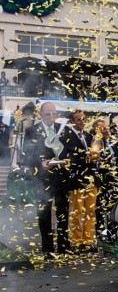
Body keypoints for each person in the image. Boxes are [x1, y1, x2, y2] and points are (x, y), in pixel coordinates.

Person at [22, 101, 70, 257]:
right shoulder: (32, 131)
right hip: (42, 178)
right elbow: (27, 154)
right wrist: (40, 162)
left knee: (63, 211)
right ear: (41, 114)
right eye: (48, 114)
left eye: (54, 113)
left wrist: (67, 160)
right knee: (44, 213)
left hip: (60, 177)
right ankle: (47, 248)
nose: (52, 117)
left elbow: (70, 150)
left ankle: (64, 246)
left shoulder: (63, 130)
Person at [59, 110, 98, 250]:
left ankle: (88, 240)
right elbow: (67, 155)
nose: (82, 122)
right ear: (72, 122)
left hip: (91, 177)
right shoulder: (67, 136)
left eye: (84, 119)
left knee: (90, 211)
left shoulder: (88, 136)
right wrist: (83, 156)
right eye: (79, 120)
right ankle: (76, 240)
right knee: (77, 211)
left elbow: (94, 152)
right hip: (77, 178)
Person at [92, 118, 118, 233]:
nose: (105, 131)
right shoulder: (95, 143)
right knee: (101, 208)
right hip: (102, 181)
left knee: (114, 207)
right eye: (102, 129)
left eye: (106, 128)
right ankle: (100, 233)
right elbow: (95, 160)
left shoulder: (112, 142)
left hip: (115, 181)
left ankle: (113, 230)